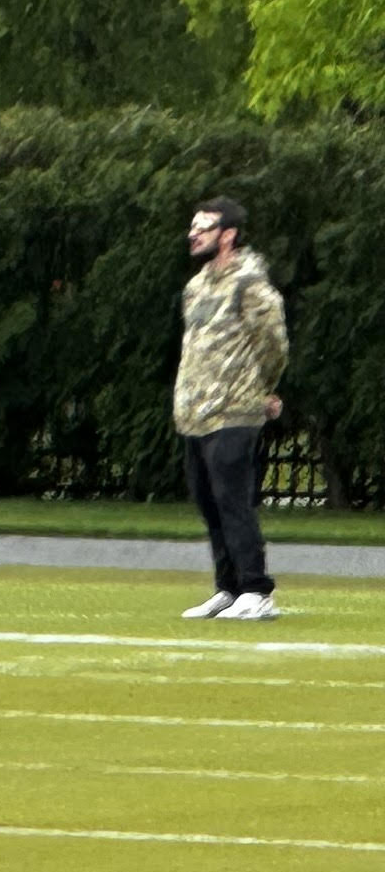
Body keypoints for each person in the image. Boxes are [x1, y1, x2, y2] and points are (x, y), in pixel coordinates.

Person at [172, 198, 286, 622]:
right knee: (208, 502)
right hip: (196, 414)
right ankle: (228, 588)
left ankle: (257, 590)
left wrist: (264, 388)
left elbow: (273, 341)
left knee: (233, 500)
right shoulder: (196, 286)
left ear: (228, 235)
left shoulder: (250, 283)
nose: (193, 234)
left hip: (236, 409)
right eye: (193, 227)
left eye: (203, 228)